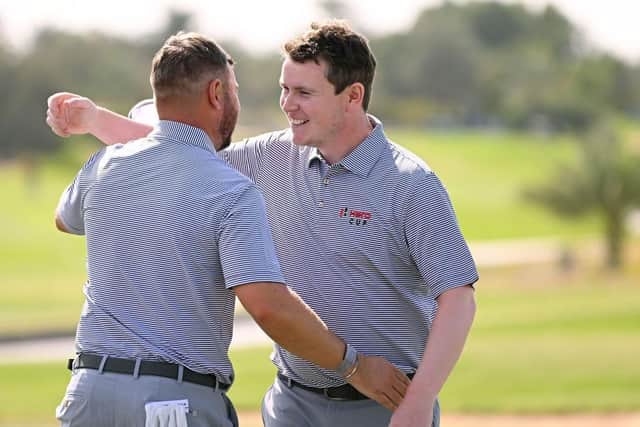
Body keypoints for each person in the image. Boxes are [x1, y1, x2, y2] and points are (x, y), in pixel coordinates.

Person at [47, 21, 479, 427]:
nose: (288, 104)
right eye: (284, 89)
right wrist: (94, 120)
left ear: (352, 96)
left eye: (304, 92)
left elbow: (457, 297)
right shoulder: (267, 157)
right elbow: (176, 152)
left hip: (384, 404)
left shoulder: (410, 183)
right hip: (291, 402)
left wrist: (421, 399)